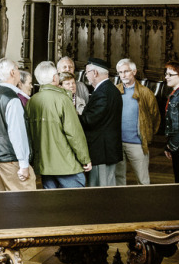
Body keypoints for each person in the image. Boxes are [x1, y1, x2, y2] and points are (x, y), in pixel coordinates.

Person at [26, 61, 91, 188]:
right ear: (55, 78)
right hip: (66, 164)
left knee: (51, 202)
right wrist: (85, 158)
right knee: (76, 201)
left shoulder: (32, 101)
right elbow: (74, 134)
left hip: (44, 164)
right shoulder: (63, 100)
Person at [0, 58, 35, 191]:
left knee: (1, 201)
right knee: (26, 199)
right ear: (13, 73)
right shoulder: (12, 99)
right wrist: (23, 164)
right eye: (18, 69)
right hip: (12, 159)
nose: (19, 72)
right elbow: (17, 133)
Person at [114, 58, 162, 185]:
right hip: (117, 143)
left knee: (142, 179)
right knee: (118, 178)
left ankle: (144, 204)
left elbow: (155, 117)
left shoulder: (146, 93)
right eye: (120, 72)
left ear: (134, 72)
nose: (123, 75)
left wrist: (147, 135)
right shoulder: (115, 91)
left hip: (137, 143)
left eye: (126, 71)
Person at [79, 58, 123, 187]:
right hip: (105, 149)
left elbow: (90, 120)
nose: (86, 75)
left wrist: (72, 116)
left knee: (101, 189)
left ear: (95, 73)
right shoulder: (109, 89)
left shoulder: (103, 92)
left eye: (87, 72)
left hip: (101, 151)